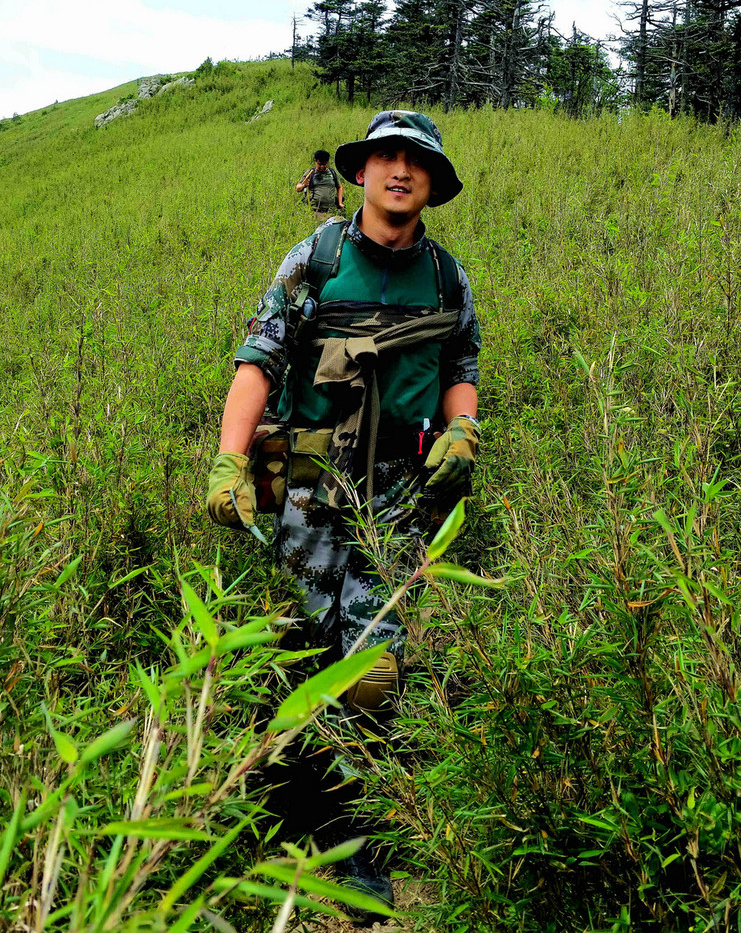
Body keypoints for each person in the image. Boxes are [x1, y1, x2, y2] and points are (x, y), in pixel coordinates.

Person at [207, 110, 481, 906]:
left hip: (395, 496)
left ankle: (358, 844)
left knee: (374, 671)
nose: (399, 170)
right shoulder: (315, 258)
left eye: (416, 161)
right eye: (385, 157)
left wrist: (463, 428)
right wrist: (231, 459)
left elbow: (461, 360)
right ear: (360, 171)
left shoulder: (446, 275)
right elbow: (259, 358)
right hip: (298, 486)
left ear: (433, 182)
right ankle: (275, 813)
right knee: (294, 647)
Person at [296, 149, 345, 222]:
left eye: (324, 164)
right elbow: (298, 188)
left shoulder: (332, 173)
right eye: (319, 164)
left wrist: (340, 203)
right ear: (315, 161)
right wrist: (304, 185)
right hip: (314, 211)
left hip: (331, 212)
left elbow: (339, 187)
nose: (322, 166)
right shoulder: (310, 173)